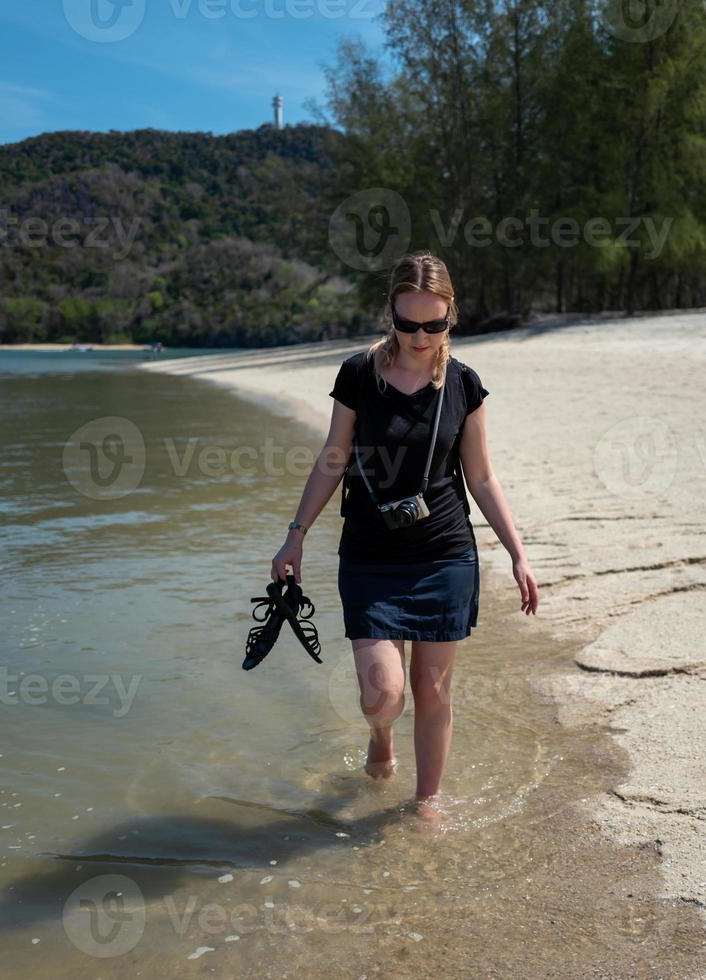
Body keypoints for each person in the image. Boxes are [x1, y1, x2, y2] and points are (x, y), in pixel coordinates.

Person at [271, 251, 539, 825]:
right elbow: (333, 458)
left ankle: (428, 802)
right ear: (389, 314)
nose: (420, 336)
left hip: (444, 554)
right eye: (408, 323)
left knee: (434, 691)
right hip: (369, 555)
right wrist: (295, 536)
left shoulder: (465, 386)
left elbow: (482, 477)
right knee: (383, 693)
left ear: (452, 317)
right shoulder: (358, 375)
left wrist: (517, 553)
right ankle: (382, 734)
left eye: (433, 323)